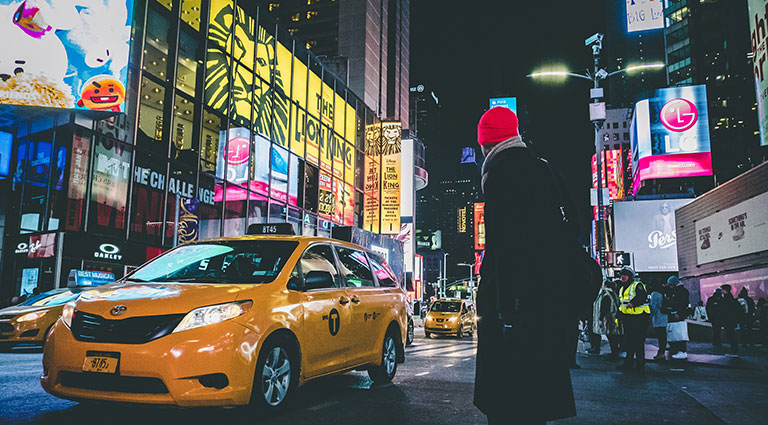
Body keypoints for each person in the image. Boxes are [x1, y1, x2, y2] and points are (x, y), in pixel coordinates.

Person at [473, 106, 589, 424]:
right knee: (534, 408)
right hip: (547, 312)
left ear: (486, 144)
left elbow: (507, 252)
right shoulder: (543, 168)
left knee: (509, 406)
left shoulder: (500, 174)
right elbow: (573, 228)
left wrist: (508, 313)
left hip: (515, 317)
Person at [616, 267, 650, 371]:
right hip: (628, 318)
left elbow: (642, 296)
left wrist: (633, 303)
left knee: (638, 341)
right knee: (629, 341)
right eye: (621, 274)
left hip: (639, 317)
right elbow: (621, 304)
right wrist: (619, 316)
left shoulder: (637, 285)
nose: (623, 276)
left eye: (625, 274)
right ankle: (628, 363)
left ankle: (640, 363)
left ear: (630, 276)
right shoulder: (622, 288)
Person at [590, 279, 622, 359]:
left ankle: (615, 355)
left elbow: (605, 307)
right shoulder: (613, 293)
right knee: (613, 337)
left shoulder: (606, 294)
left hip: (608, 319)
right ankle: (615, 353)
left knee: (611, 337)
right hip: (613, 317)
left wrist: (600, 319)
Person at [666, 276, 690, 360]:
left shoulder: (680, 292)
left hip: (678, 314)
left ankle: (682, 351)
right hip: (677, 314)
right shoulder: (680, 291)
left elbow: (683, 303)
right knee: (677, 332)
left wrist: (678, 312)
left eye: (671, 285)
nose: (670, 286)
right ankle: (679, 350)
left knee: (679, 333)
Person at [649, 280, 668, 360]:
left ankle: (661, 353)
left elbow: (653, 307)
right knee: (663, 336)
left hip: (658, 317)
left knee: (660, 336)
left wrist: (649, 317)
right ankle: (662, 352)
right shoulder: (662, 293)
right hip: (664, 317)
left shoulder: (654, 294)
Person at [720, 284, 741, 355]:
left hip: (728, 320)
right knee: (731, 334)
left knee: (730, 335)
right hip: (731, 320)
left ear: (725, 290)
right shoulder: (730, 297)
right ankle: (734, 350)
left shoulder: (726, 298)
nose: (721, 291)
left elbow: (725, 310)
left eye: (722, 290)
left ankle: (734, 351)